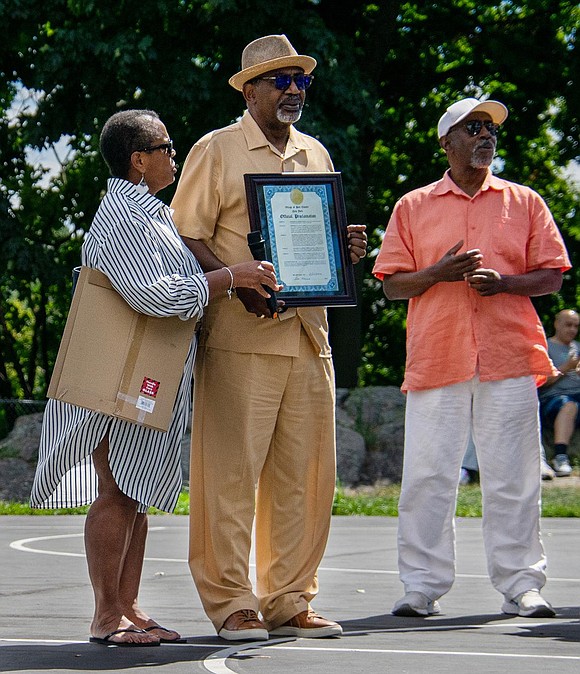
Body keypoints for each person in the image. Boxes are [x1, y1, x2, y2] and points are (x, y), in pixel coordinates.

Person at [30, 109, 280, 646]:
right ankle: (106, 616)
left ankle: (128, 606)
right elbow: (156, 295)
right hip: (116, 378)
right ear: (138, 160)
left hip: (143, 376)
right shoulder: (122, 217)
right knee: (117, 492)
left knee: (132, 494)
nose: (175, 153)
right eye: (166, 146)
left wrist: (221, 276)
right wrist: (229, 277)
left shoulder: (149, 214)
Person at [170, 34, 367, 641]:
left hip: (309, 337)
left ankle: (290, 599)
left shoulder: (315, 153)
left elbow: (317, 242)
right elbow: (185, 233)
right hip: (240, 334)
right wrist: (233, 283)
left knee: (304, 477)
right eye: (280, 80)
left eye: (300, 80)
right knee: (229, 476)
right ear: (249, 89)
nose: (293, 90)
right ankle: (232, 602)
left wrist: (345, 254)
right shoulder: (217, 149)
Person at [373, 96, 570, 619]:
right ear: (446, 142)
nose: (486, 135)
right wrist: (438, 274)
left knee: (514, 475)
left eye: (490, 128)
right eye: (473, 127)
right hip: (439, 355)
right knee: (427, 475)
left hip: (508, 354)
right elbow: (392, 287)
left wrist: (505, 283)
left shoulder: (524, 201)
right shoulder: (413, 206)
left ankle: (522, 585)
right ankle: (421, 586)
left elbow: (551, 275)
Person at [538, 309, 580, 476]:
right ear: (557, 324)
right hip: (553, 399)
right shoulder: (545, 347)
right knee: (569, 404)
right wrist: (566, 368)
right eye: (568, 325)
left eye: (576, 326)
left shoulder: (578, 347)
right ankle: (560, 456)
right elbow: (540, 381)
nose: (572, 330)